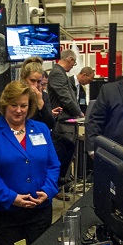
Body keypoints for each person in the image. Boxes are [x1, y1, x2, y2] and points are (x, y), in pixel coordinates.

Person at [0, 81, 59, 245]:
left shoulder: (41, 129)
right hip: (6, 214)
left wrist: (48, 191)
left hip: (39, 211)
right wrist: (11, 198)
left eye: (23, 105)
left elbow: (53, 165)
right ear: (4, 105)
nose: (18, 110)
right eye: (13, 105)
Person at [47, 49, 82, 190]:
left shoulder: (60, 73)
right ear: (70, 59)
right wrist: (79, 112)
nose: (73, 66)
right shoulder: (57, 73)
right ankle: (58, 186)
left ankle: (62, 184)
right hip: (63, 121)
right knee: (62, 153)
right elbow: (65, 97)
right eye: (73, 63)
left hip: (68, 120)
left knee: (67, 153)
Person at [20, 57, 58, 130]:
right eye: (32, 81)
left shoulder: (43, 96)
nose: (35, 85)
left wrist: (40, 103)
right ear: (23, 78)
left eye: (39, 81)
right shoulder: (15, 94)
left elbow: (51, 124)